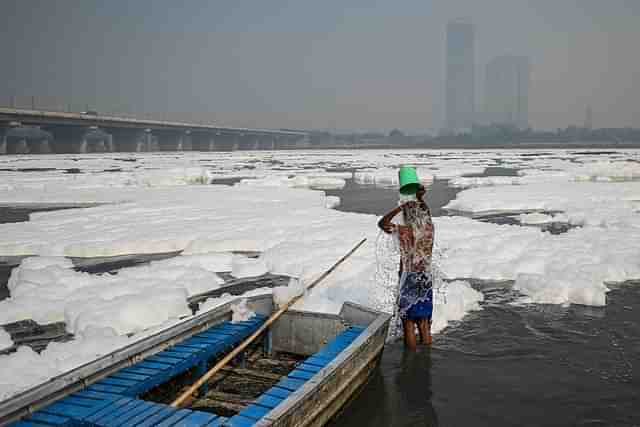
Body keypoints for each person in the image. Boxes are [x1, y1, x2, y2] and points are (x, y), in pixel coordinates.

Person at [378, 184, 434, 350]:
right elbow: (426, 210)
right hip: (426, 276)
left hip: (409, 277)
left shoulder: (405, 231)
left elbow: (382, 223)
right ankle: (426, 358)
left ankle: (409, 360)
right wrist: (419, 199)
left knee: (408, 323)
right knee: (423, 322)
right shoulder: (429, 228)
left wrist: (400, 207)